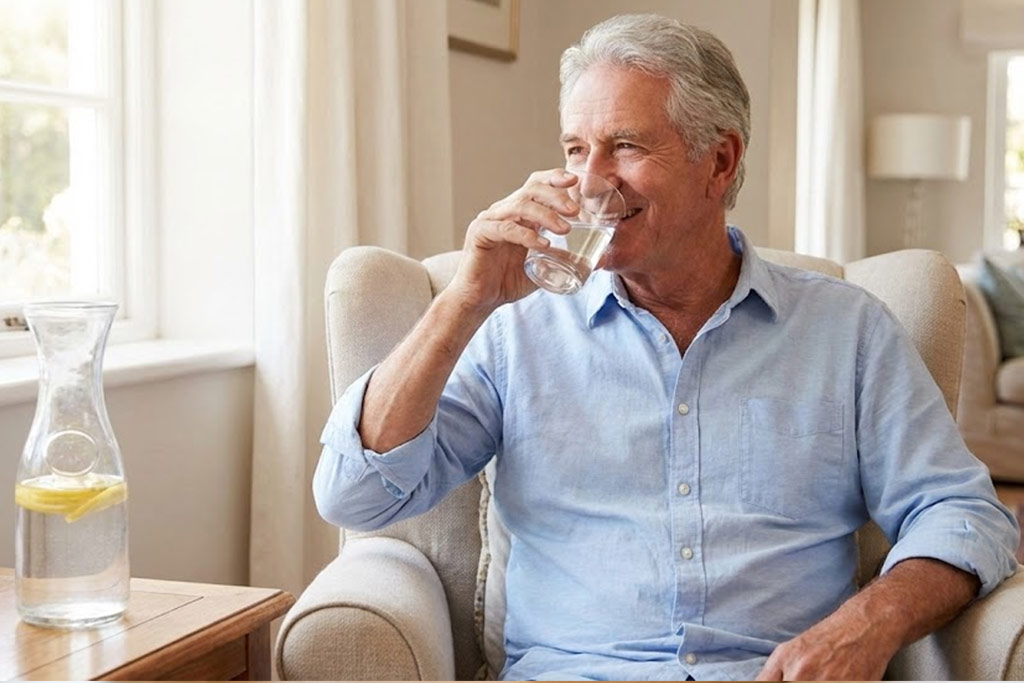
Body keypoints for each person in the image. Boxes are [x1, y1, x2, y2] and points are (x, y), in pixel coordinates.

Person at [313, 13, 1020, 681]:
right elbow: (356, 493)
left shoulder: (849, 331)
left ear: (720, 162)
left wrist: (870, 621)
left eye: (625, 145)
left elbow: (964, 513)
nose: (591, 180)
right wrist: (463, 300)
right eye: (574, 149)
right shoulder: (512, 329)